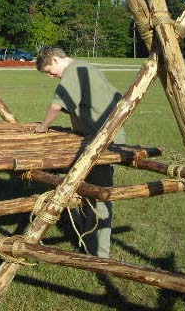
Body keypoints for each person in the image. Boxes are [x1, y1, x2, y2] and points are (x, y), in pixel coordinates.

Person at [34, 45, 126, 259]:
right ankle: (88, 241)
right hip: (96, 139)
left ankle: (100, 255)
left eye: (49, 70)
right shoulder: (84, 67)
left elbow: (57, 106)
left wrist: (43, 126)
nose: (51, 76)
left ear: (56, 60)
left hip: (104, 142)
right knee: (85, 189)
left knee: (99, 194)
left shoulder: (73, 72)